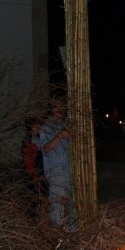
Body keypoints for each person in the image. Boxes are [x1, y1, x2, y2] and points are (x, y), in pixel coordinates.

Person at [39, 98, 76, 230]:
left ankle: (73, 240)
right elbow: (46, 148)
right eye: (55, 106)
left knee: (73, 209)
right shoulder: (47, 127)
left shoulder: (70, 123)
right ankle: (57, 240)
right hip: (57, 174)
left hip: (72, 172)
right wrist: (61, 135)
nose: (59, 109)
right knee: (57, 209)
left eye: (61, 106)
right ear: (51, 109)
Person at [21, 115, 48, 211]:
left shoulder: (38, 137)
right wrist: (34, 175)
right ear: (31, 126)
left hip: (41, 174)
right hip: (36, 176)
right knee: (38, 200)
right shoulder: (29, 141)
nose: (39, 127)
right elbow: (28, 162)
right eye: (36, 125)